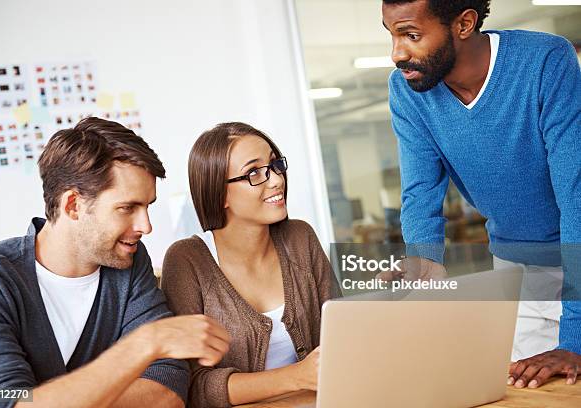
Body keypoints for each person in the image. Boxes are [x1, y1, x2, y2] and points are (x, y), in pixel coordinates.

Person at [382, 0, 581, 388]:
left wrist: (574, 337)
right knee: (531, 392)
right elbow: (420, 190)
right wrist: (424, 262)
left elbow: (577, 197)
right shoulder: (407, 90)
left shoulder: (544, 61)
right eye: (390, 33)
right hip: (517, 269)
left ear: (464, 23)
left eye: (411, 35)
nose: (396, 53)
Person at [0, 117, 231, 408]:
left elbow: (167, 388)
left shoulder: (130, 262)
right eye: (127, 208)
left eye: (147, 207)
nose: (146, 226)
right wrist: (144, 345)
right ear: (73, 205)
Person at [161, 122, 341, 407]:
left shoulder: (300, 237)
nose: (276, 180)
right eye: (254, 172)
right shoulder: (187, 261)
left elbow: (338, 334)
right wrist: (296, 377)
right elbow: (191, 386)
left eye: (274, 164)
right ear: (219, 193)